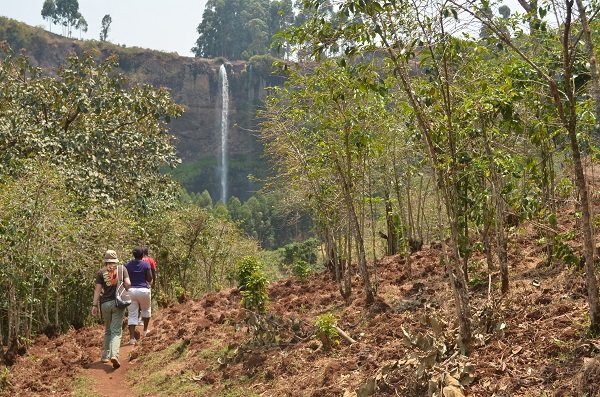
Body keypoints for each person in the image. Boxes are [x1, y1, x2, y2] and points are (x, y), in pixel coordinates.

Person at [92, 249, 130, 369]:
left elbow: (98, 290)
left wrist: (94, 305)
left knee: (108, 330)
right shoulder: (122, 269)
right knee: (116, 330)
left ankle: (104, 356)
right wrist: (124, 287)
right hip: (118, 303)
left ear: (106, 261)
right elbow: (128, 284)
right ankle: (114, 355)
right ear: (115, 260)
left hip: (105, 304)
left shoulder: (100, 272)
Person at [125, 246, 153, 345]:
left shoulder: (127, 265)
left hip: (131, 291)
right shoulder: (146, 265)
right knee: (146, 309)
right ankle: (145, 331)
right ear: (142, 255)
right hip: (143, 290)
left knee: (132, 314)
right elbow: (149, 279)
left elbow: (125, 278)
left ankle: (132, 338)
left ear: (133, 255)